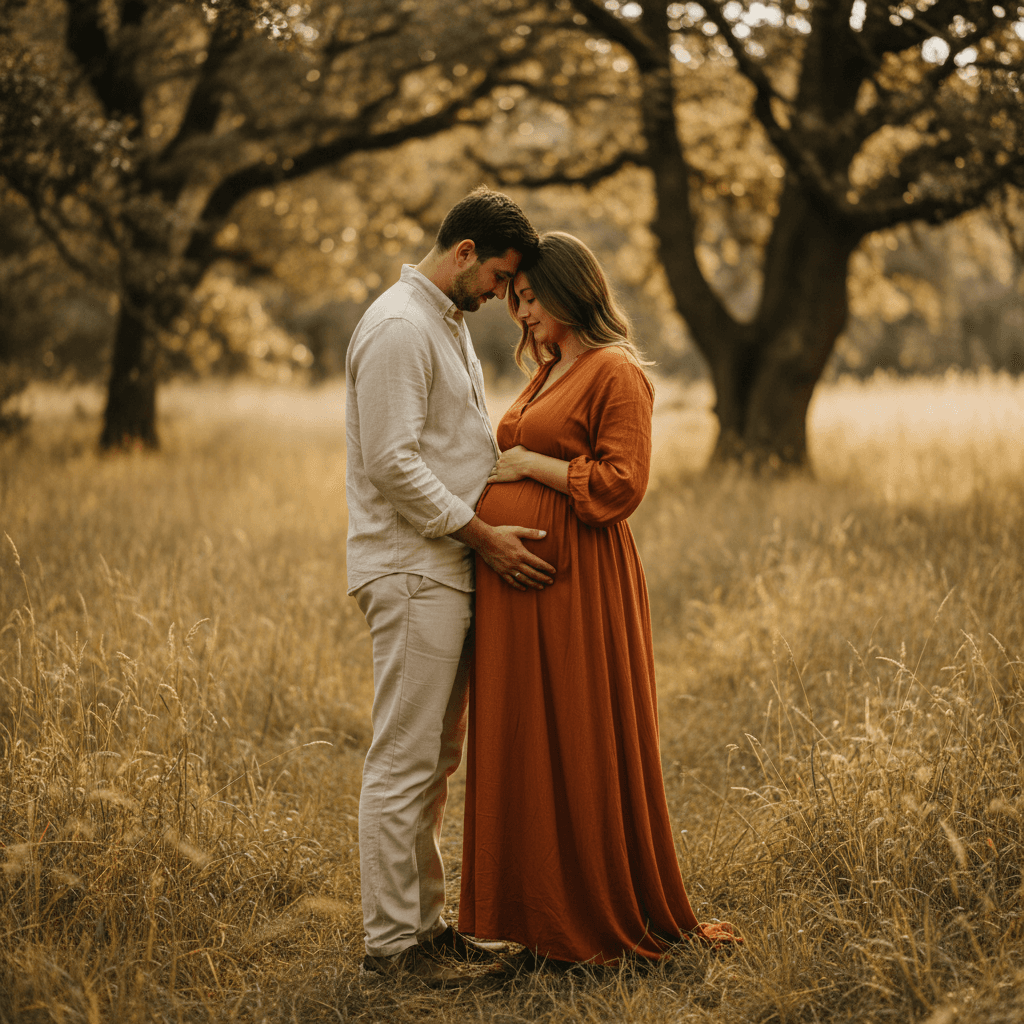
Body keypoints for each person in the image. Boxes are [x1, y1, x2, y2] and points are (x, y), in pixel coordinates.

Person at [458, 231, 741, 967]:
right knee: (527, 743)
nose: (519, 312)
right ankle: (537, 921)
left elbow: (621, 484)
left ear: (567, 288)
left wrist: (529, 464)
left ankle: (588, 920)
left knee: (577, 739)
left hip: (578, 585)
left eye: (527, 297)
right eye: (513, 298)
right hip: (521, 587)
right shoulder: (550, 370)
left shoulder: (616, 372)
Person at [345, 188, 556, 986]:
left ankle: (425, 930)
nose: (503, 295)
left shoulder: (446, 323)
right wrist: (484, 537)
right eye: (500, 277)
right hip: (411, 569)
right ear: (464, 251)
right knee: (404, 759)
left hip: (445, 569)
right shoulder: (402, 327)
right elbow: (392, 461)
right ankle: (392, 947)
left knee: (436, 757)